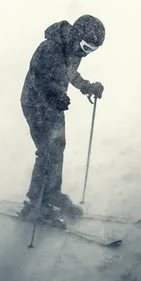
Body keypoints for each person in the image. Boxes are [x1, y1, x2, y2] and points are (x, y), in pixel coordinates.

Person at [19, 15, 105, 224]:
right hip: (35, 103)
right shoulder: (49, 48)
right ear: (77, 35)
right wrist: (52, 96)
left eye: (92, 50)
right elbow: (38, 77)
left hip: (55, 106)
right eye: (86, 47)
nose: (86, 53)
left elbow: (70, 73)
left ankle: (51, 193)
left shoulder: (74, 50)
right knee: (47, 151)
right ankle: (35, 205)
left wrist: (86, 87)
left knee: (57, 147)